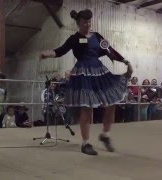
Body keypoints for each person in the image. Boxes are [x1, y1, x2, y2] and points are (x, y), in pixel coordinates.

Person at [40, 9, 133, 155]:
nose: (87, 25)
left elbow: (109, 50)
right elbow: (60, 51)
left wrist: (125, 61)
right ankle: (85, 143)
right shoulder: (74, 38)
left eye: (89, 22)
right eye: (84, 22)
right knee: (87, 108)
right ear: (78, 23)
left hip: (99, 71)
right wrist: (47, 53)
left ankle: (105, 135)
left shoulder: (97, 36)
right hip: (83, 72)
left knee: (111, 104)